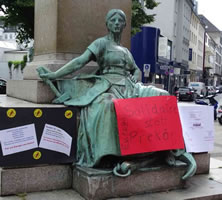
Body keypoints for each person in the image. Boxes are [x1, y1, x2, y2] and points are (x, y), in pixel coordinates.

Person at [38, 9, 196, 179]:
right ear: (107, 24)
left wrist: (135, 77)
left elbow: (135, 69)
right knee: (107, 105)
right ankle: (110, 156)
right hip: (108, 85)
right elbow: (79, 61)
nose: (116, 23)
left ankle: (176, 149)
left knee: (163, 95)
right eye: (112, 20)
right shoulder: (100, 44)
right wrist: (55, 75)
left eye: (119, 21)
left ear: (124, 25)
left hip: (130, 87)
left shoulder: (125, 51)